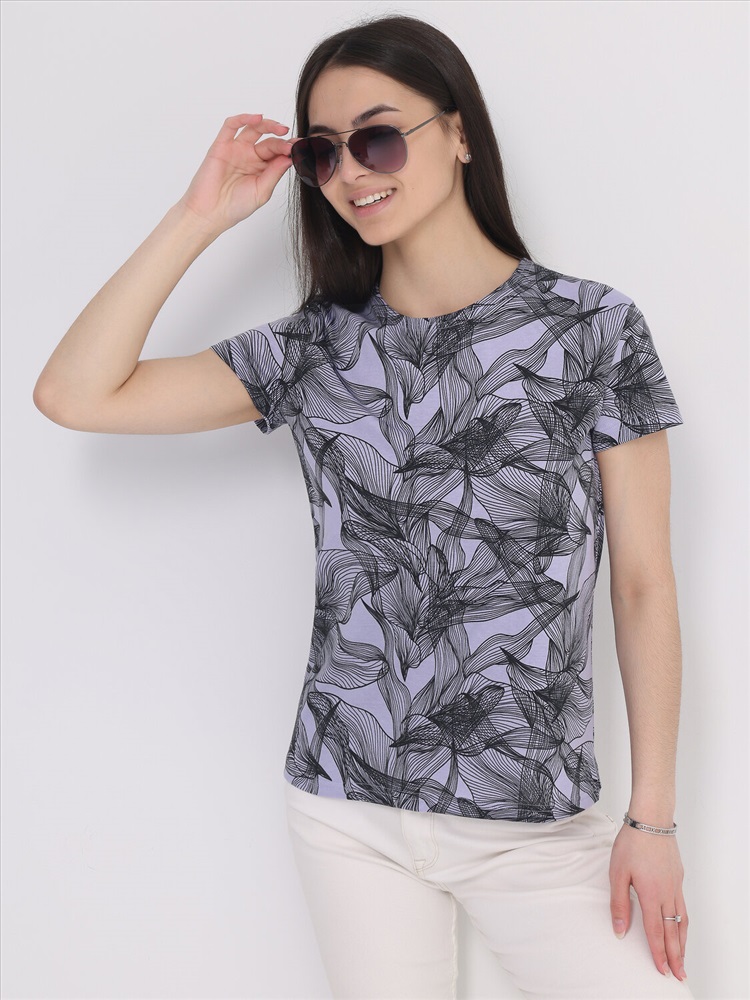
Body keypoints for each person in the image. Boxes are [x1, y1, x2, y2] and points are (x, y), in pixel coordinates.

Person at [34, 13, 694, 1000]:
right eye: (323, 152)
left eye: (378, 137)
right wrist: (199, 216)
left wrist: (653, 818)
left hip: (535, 824)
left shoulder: (591, 329)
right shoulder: (317, 347)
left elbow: (642, 584)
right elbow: (74, 394)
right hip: (348, 812)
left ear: (458, 131)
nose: (351, 171)